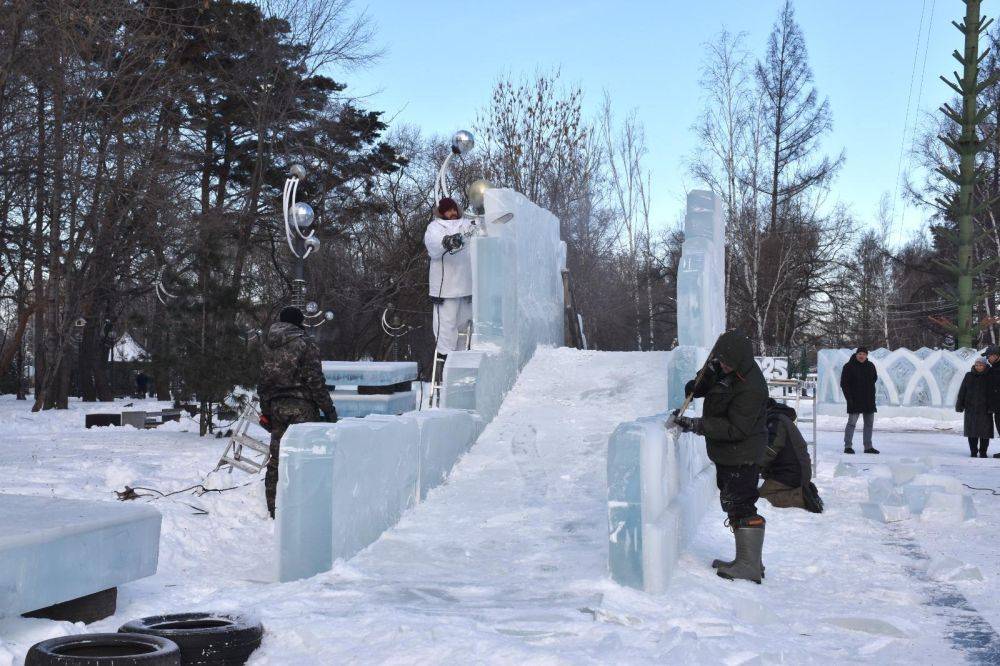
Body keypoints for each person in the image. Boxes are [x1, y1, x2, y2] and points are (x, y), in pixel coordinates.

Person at [673, 330, 769, 584]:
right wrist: (699, 383)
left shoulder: (751, 387)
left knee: (741, 502)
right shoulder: (724, 367)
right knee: (733, 502)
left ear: (739, 361)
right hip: (729, 453)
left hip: (744, 453)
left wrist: (697, 425)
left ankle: (748, 565)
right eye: (721, 361)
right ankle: (748, 560)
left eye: (727, 363)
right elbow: (708, 384)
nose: (723, 366)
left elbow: (737, 428)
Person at [256, 306, 337, 518]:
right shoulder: (305, 343)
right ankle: (303, 510)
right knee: (304, 458)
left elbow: (263, 380)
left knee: (276, 458)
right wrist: (329, 411)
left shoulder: (267, 345)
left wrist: (266, 411)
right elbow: (315, 381)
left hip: (276, 407)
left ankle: (274, 509)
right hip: (302, 408)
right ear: (299, 322)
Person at [424, 197, 475, 364]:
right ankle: (446, 364)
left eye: (454, 209)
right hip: (445, 289)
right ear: (442, 212)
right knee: (445, 328)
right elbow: (433, 247)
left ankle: (460, 365)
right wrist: (446, 242)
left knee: (463, 329)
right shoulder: (435, 227)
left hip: (467, 287)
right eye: (448, 210)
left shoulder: (467, 225)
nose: (452, 213)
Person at [758, 399, 824, 513]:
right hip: (793, 472)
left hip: (790, 474)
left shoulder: (775, 420)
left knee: (761, 496)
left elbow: (770, 450)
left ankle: (802, 498)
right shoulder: (778, 418)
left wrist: (752, 467)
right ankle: (803, 489)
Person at [840, 346, 879, 455]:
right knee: (852, 423)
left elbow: (874, 379)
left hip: (868, 399)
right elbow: (844, 384)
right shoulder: (848, 366)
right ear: (856, 354)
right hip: (854, 399)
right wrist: (849, 398)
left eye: (864, 354)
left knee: (869, 423)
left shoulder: (871, 366)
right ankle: (848, 446)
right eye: (860, 354)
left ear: (867, 355)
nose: (862, 356)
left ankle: (868, 447)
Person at [956, 356, 994, 458]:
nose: (978, 367)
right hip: (970, 408)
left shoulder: (990, 376)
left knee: (985, 432)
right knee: (971, 431)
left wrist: (992, 406)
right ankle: (973, 451)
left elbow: (993, 392)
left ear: (985, 365)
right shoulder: (968, 375)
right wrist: (959, 404)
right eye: (977, 365)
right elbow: (962, 390)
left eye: (981, 365)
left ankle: (983, 452)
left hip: (985, 409)